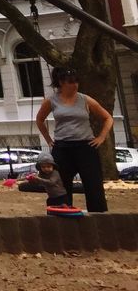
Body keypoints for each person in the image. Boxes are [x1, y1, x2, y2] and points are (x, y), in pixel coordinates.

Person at [36, 65, 113, 213]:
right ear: (61, 83)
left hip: (86, 146)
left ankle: (98, 215)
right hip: (63, 148)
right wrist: (49, 140)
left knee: (93, 184)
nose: (75, 85)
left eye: (77, 81)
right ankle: (62, 215)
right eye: (71, 82)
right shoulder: (51, 101)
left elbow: (107, 118)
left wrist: (101, 138)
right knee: (61, 185)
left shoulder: (85, 99)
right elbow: (39, 120)